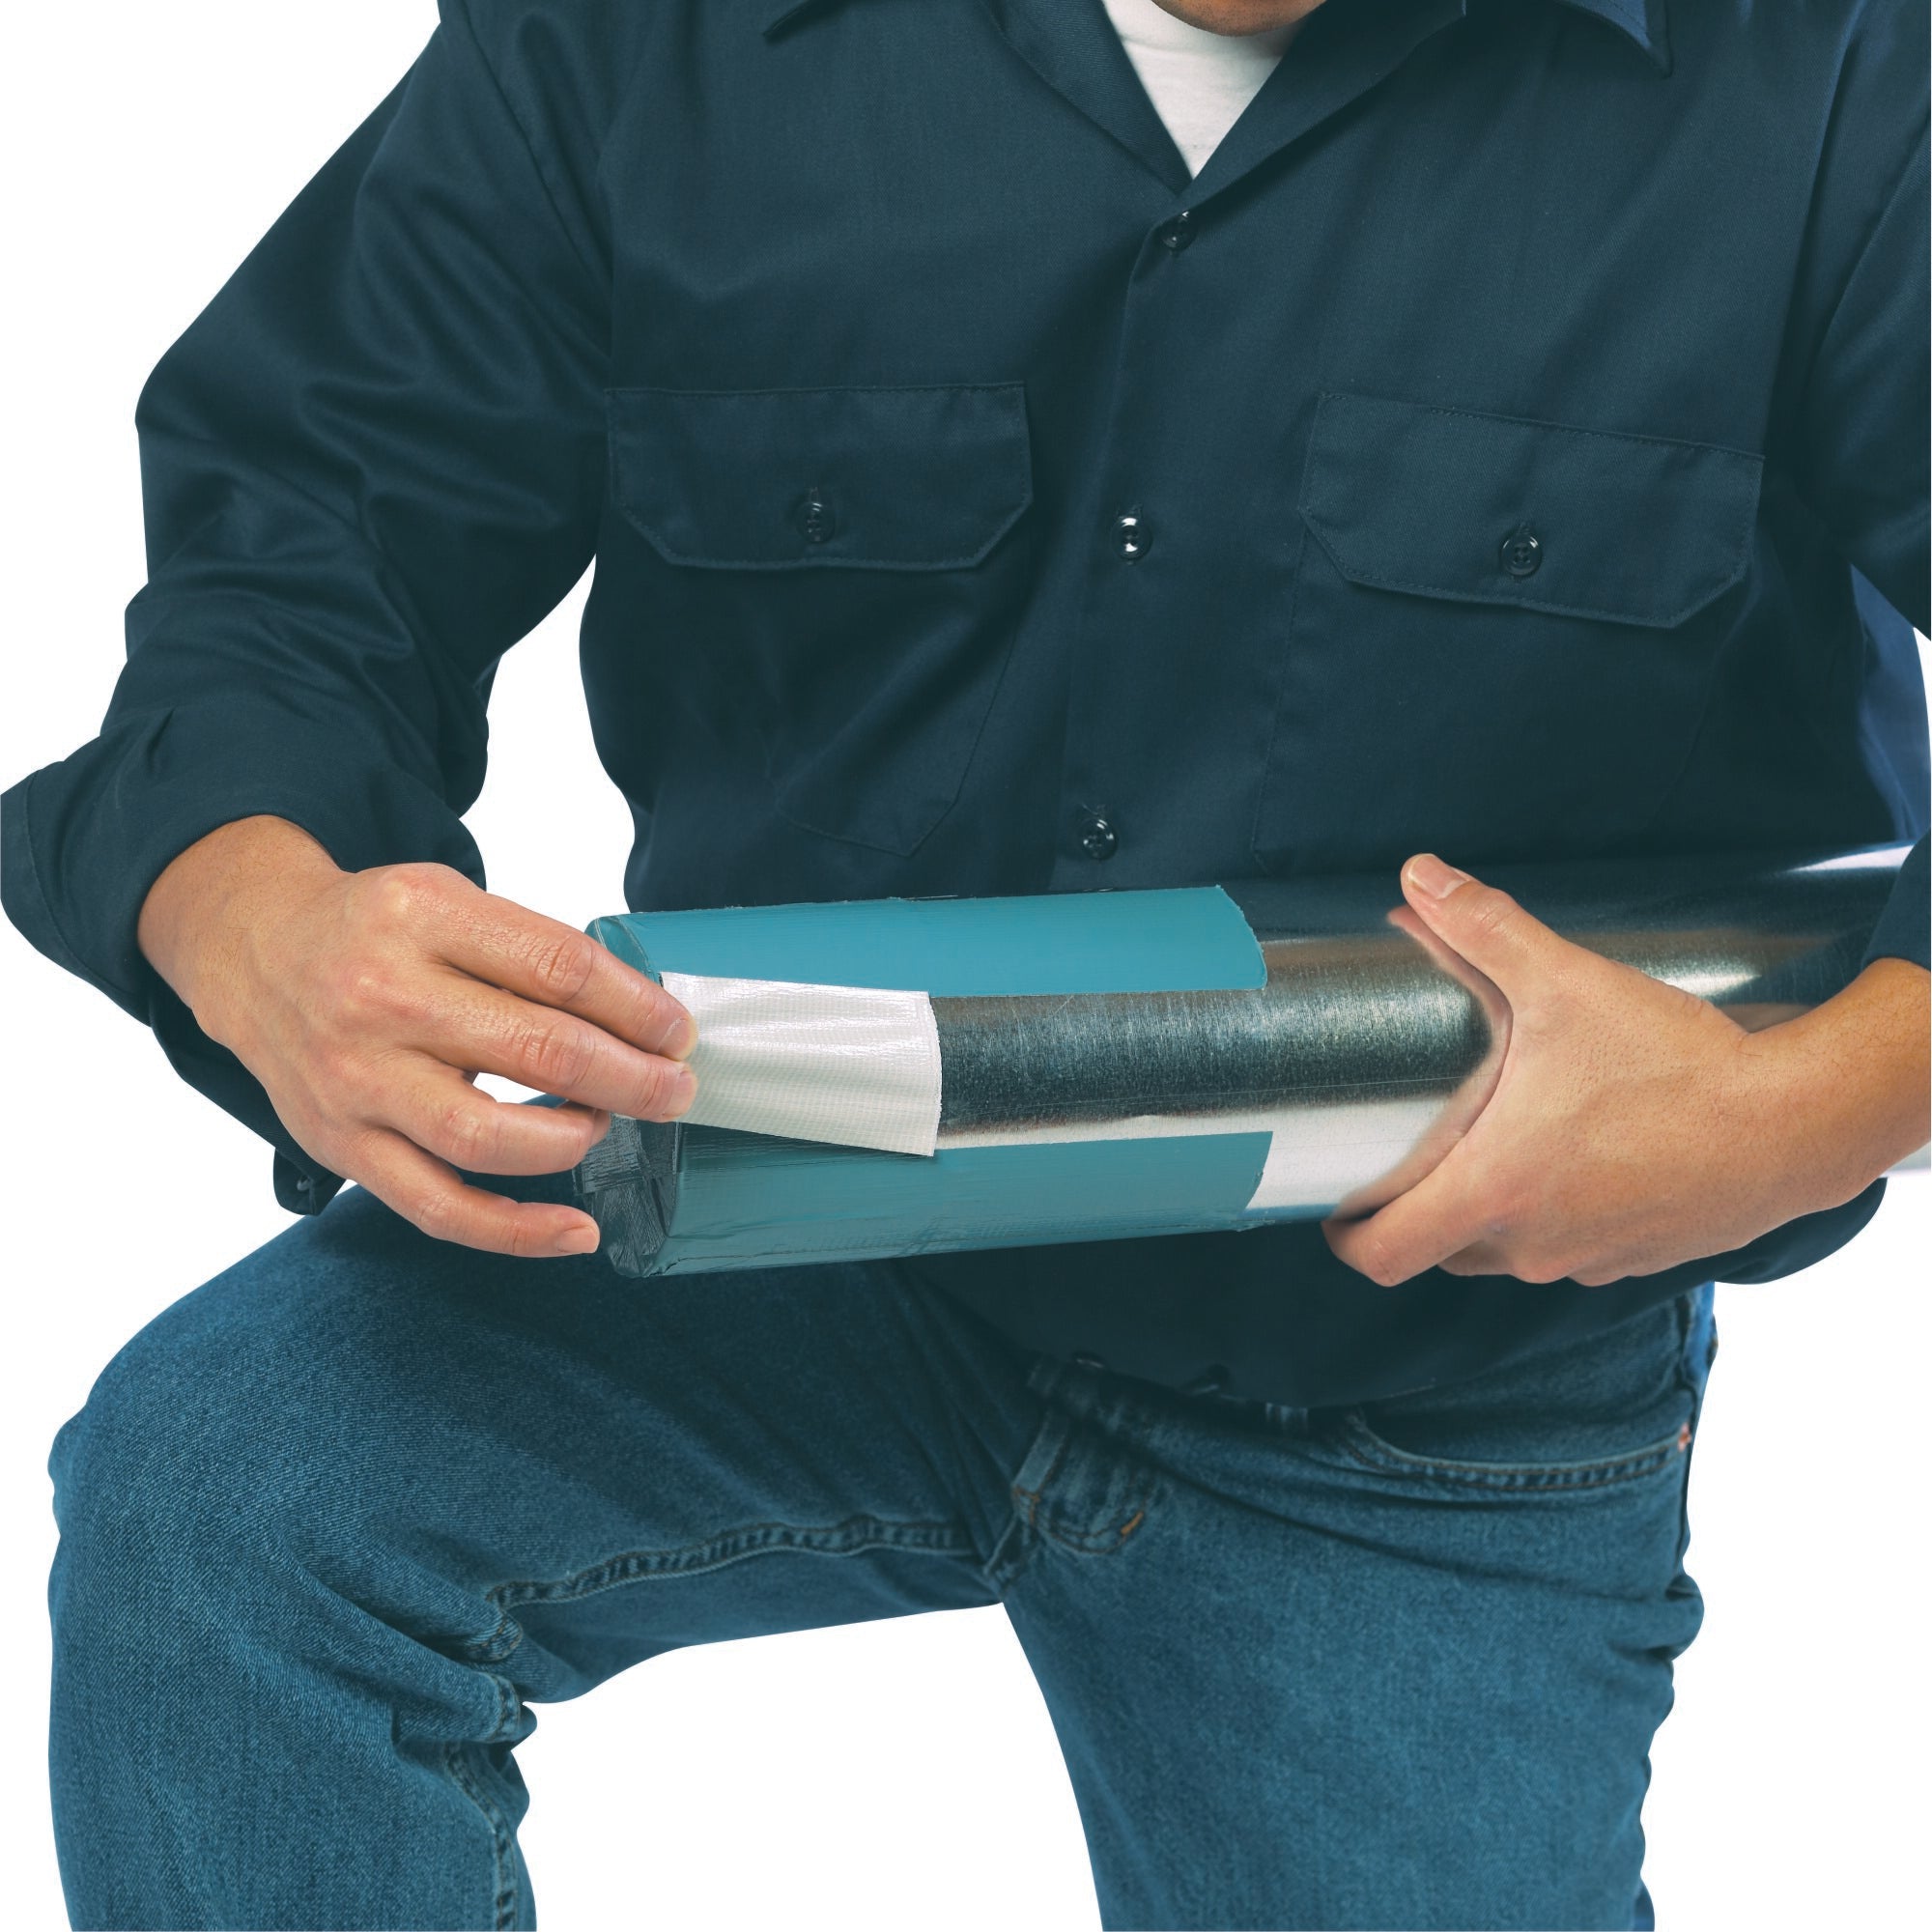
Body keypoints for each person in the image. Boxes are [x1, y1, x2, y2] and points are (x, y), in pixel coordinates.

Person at [4, 0, 1928, 1924]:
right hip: (783, 1179)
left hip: (1429, 1339)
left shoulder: (1829, 67)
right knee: (232, 1493)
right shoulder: (642, 41)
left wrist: (1805, 1111)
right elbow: (308, 550)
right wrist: (250, 906)